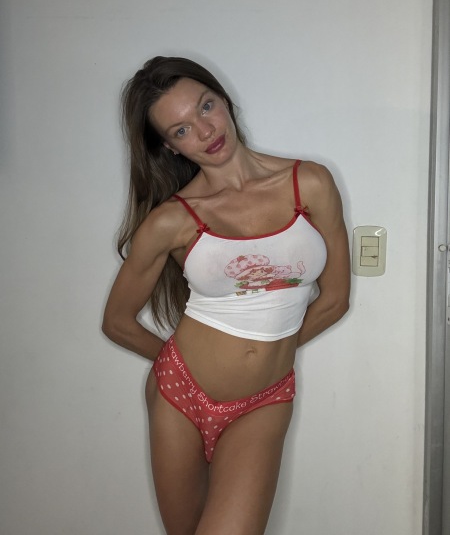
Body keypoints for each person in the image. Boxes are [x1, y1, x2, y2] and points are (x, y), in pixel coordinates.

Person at [102, 56, 350, 535]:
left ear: (224, 100)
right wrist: (180, 367)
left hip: (265, 399)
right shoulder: (172, 221)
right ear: (169, 147)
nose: (205, 131)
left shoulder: (310, 183)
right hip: (179, 395)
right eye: (181, 130)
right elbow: (117, 322)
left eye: (205, 107)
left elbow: (336, 299)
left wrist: (269, 354)